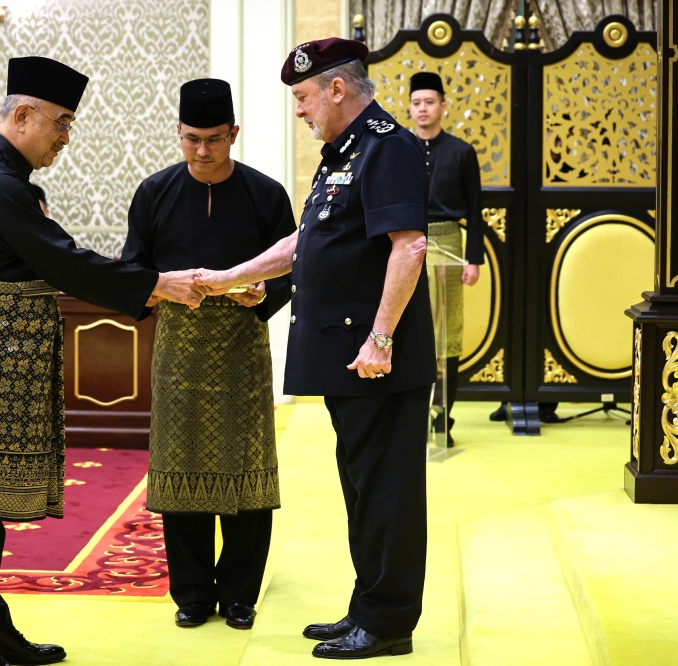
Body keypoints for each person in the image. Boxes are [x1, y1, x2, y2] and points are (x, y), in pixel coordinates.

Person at [0, 56, 205, 666]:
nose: (66, 136)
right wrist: (158, 284)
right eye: (61, 123)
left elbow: (54, 258)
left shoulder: (1, 175)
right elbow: (63, 261)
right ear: (23, 114)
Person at [196, 38, 435, 659]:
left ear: (336, 88)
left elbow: (408, 247)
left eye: (302, 96)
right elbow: (304, 242)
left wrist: (381, 338)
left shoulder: (388, 148)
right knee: (362, 488)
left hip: (377, 357)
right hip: (348, 356)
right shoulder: (343, 154)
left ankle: (386, 625)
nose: (299, 109)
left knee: (386, 491)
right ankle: (367, 607)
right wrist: (230, 277)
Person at [120, 78, 296, 631]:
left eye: (214, 139)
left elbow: (294, 268)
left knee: (247, 472)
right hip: (178, 350)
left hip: (242, 347)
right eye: (192, 138)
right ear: (178, 132)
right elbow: (132, 270)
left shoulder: (266, 195)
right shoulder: (154, 192)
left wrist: (259, 292)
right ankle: (192, 595)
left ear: (233, 134)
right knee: (180, 468)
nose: (202, 150)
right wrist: (162, 286)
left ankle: (240, 593)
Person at [408, 72, 483, 446]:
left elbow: (475, 208)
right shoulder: (400, 147)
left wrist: (474, 259)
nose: (423, 109)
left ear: (443, 106)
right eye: (417, 102)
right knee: (413, 330)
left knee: (447, 334)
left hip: (450, 240)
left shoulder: (461, 152)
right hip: (410, 243)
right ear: (410, 107)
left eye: (430, 102)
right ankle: (411, 417)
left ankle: (443, 418)